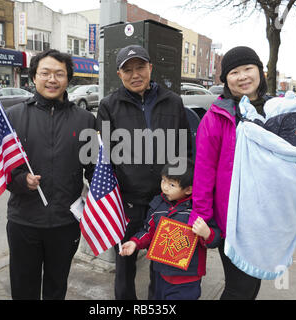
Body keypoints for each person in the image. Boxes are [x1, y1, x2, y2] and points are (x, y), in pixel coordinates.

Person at [188, 46, 296, 300]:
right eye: (234, 72)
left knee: (251, 286)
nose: (242, 76)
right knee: (239, 289)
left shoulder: (280, 110)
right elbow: (204, 170)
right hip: (232, 219)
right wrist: (203, 216)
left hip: (269, 218)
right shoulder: (217, 117)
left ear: (259, 72)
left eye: (248, 69)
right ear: (225, 79)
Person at [96, 44, 192, 300]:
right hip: (127, 203)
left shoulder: (173, 101)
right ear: (119, 74)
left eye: (140, 67)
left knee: (164, 267)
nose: (135, 74)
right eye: (128, 70)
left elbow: (185, 150)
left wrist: (183, 192)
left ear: (151, 67)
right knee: (125, 265)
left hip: (168, 202)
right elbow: (104, 156)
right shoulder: (109, 106)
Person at [5, 49, 96, 300]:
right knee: (24, 288)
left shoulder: (85, 120)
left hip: (64, 223)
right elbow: (4, 169)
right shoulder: (13, 117)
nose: (52, 79)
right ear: (34, 77)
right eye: (45, 73)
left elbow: (93, 168)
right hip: (24, 221)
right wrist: (22, 180)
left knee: (57, 287)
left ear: (68, 79)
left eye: (59, 74)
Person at [120, 159, 221, 300]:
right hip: (160, 274)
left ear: (189, 189)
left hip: (186, 279)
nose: (165, 187)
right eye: (163, 181)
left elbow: (214, 239)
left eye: (172, 184)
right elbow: (148, 230)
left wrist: (207, 233)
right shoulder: (158, 205)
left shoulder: (198, 210)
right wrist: (135, 243)